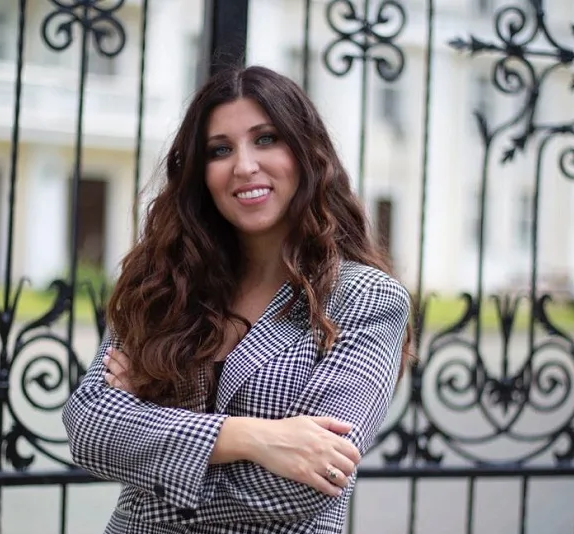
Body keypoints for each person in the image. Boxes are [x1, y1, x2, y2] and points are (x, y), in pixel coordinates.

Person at [62, 65, 412, 534]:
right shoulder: (162, 282)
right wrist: (251, 437)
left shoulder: (363, 297)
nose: (244, 166)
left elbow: (306, 485)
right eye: (220, 150)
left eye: (266, 139)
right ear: (200, 173)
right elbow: (89, 429)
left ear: (306, 154)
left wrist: (147, 434)